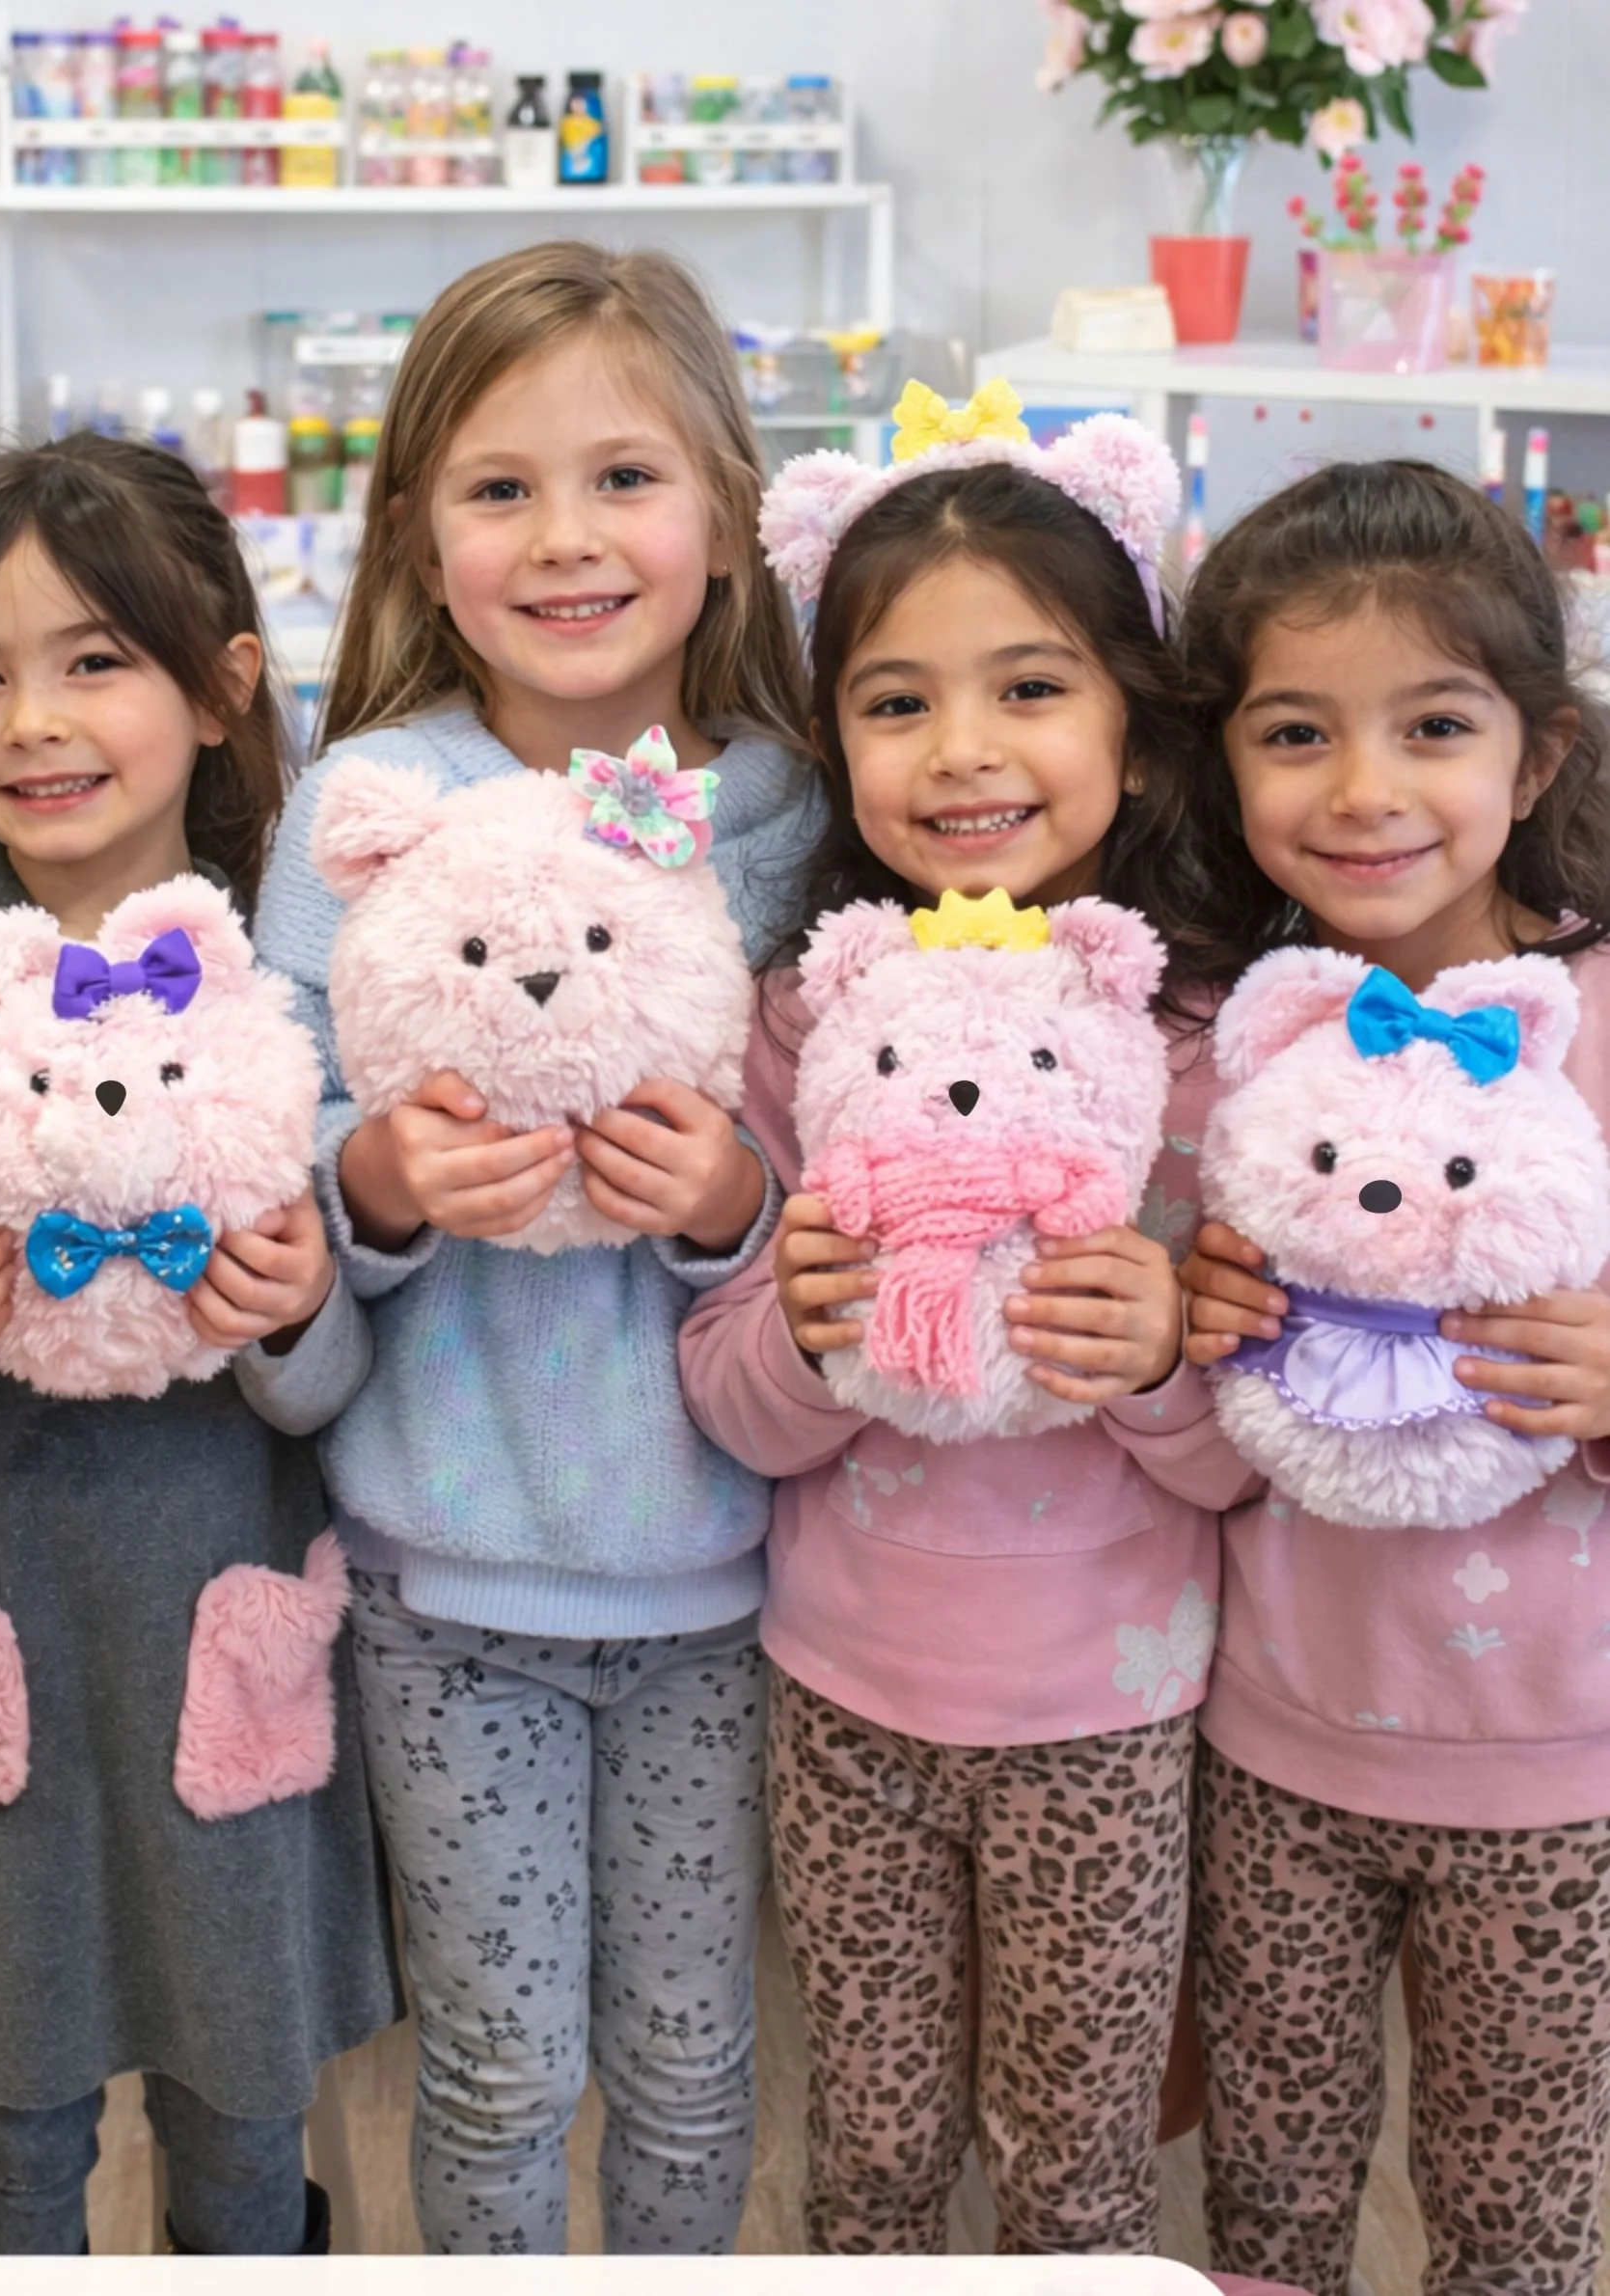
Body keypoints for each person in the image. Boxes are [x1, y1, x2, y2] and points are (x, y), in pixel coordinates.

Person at [254, 238, 820, 2255]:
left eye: (622, 477)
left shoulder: (789, 807)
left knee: (688, 2058)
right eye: (499, 487)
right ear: (416, 534)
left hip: (719, 1582)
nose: (564, 538)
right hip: (439, 1572)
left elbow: (847, 1158)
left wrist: (728, 1201)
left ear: (731, 522)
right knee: (491, 2059)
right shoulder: (363, 807)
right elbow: (279, 1119)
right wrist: (382, 1181)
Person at [0, 433, 399, 2256]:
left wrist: (293, 1304)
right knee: (11, 2113)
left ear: (223, 685)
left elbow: (337, 1353)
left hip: (216, 1603)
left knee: (243, 2101)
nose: (33, 719)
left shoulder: (298, 970)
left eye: (95, 660)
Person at [680, 389, 1216, 2253]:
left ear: (1141, 741)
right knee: (877, 2157)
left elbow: (1253, 1441)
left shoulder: (1208, 1045)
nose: (962, 750)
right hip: (844, 1691)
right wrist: (811, 1336)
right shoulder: (804, 1020)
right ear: (834, 746)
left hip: (1117, 1705)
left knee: (1081, 2173)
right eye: (898, 700)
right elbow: (735, 1406)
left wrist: (1156, 1354)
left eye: (1031, 688)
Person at [1141, 459, 1610, 2296]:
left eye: (1434, 725)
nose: (1364, 791)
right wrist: (1181, 1336)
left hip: (1562, 1772)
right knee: (1266, 2210)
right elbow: (1189, 1445)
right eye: (1294, 731)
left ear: (1540, 756)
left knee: (1518, 2226)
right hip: (1273, 1743)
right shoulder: (1223, 1051)